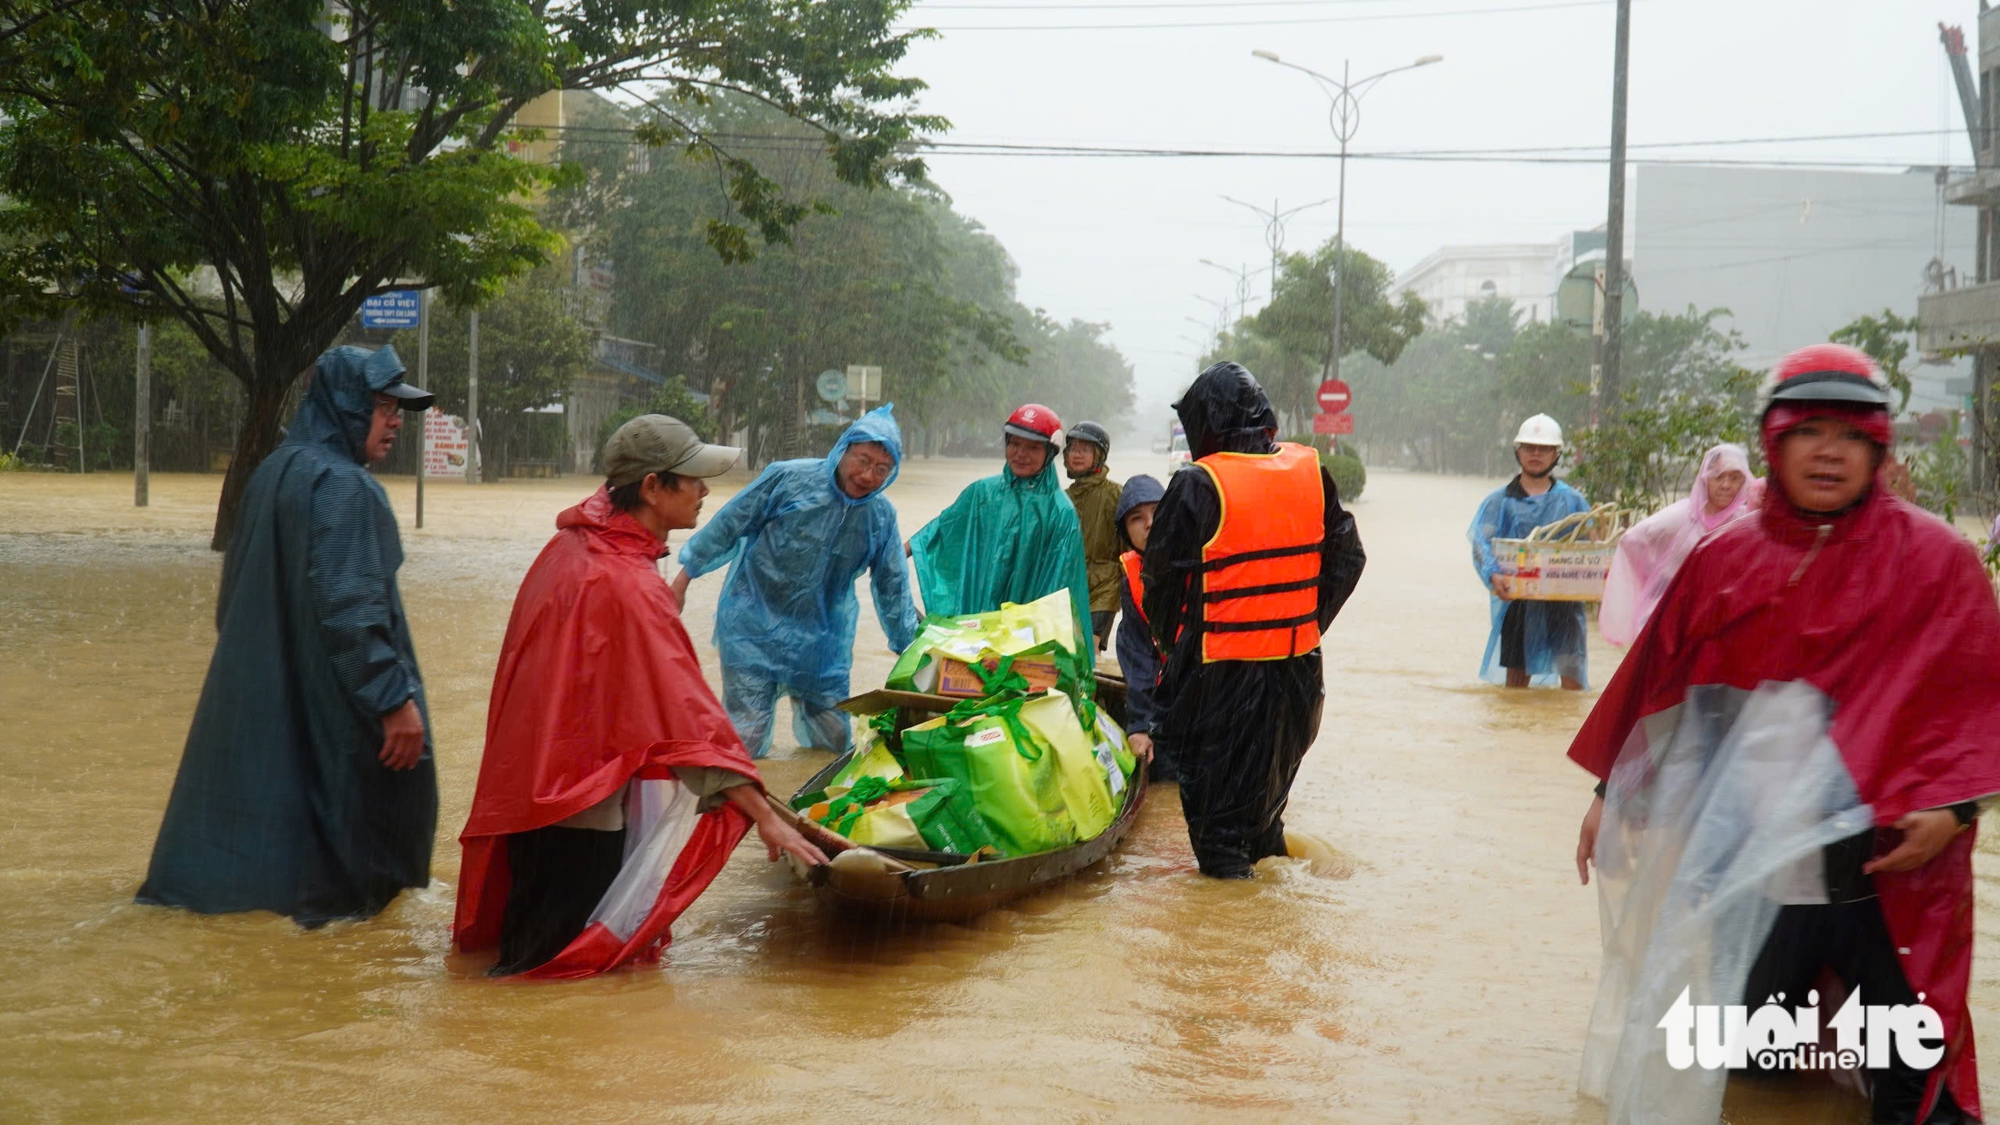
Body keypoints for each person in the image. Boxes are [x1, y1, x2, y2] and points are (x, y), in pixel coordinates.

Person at [1568, 344, 2000, 1124]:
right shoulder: (1723, 559)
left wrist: (1960, 809)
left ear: (1879, 448)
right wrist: (1611, 796)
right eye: (1810, 431)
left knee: (1917, 1072)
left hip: (1894, 869)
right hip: (1756, 864)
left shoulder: (1939, 562)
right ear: (1774, 440)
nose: (1830, 451)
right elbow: (1662, 688)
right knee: (1754, 1063)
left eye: (1850, 434)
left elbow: (1978, 701)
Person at [454, 415, 827, 979]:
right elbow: (688, 720)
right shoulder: (628, 583)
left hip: (534, 796)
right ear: (653, 487)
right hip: (583, 805)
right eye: (694, 479)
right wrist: (764, 816)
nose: (706, 491)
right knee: (557, 975)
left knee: (528, 955)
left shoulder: (570, 550)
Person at [137, 345, 439, 926]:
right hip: (337, 707)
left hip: (264, 695)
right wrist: (393, 700)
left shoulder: (271, 473)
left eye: (399, 409)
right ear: (347, 405)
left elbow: (233, 601)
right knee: (350, 861)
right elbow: (353, 607)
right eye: (383, 405)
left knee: (270, 840)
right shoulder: (348, 487)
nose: (397, 420)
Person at [1143, 362, 1365, 878]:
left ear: (1205, 422)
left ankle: (1225, 947)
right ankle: (1265, 935)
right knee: (1263, 822)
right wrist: (1300, 623)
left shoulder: (1198, 484)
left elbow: (1161, 582)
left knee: (1219, 842)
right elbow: (1348, 560)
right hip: (1297, 678)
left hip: (1219, 679)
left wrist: (1175, 645)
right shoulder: (1311, 472)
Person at [670, 406, 919, 760]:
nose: (867, 476)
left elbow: (893, 585)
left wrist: (912, 651)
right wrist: (682, 581)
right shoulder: (787, 479)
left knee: (833, 747)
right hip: (752, 627)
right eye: (862, 460)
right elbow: (728, 525)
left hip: (823, 642)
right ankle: (744, 811)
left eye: (882, 469)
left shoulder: (880, 517)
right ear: (842, 450)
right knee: (746, 739)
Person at [907, 403, 1092, 634]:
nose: (1020, 454)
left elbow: (1058, 585)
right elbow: (942, 528)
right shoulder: (982, 493)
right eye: (1014, 444)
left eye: (1032, 447)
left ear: (1050, 453)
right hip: (976, 622)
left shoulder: (1061, 512)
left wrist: (1027, 636)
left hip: (1025, 634)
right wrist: (892, 555)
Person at [1467, 413, 1591, 689]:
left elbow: (1594, 545)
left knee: (1572, 679)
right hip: (1517, 601)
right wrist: (1492, 575)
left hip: (1564, 602)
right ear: (1518, 451)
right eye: (1529, 447)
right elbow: (1480, 543)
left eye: (1544, 448)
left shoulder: (1573, 501)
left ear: (1556, 454)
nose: (1536, 454)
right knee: (1516, 686)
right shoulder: (1499, 501)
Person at [1597, 443, 1759, 647]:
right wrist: (1657, 576)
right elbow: (1632, 541)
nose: (1726, 485)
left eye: (1734, 478)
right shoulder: (1681, 517)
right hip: (1671, 623)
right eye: (1718, 476)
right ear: (1705, 478)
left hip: (1718, 627)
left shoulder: (1744, 522)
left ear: (1744, 481)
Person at [1112, 473, 1169, 781]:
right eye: (1138, 518)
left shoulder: (1207, 557)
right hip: (1171, 694)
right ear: (1127, 532)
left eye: (1158, 513)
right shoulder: (1132, 579)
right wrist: (1139, 726)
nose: (1149, 524)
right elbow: (1138, 654)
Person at [1064, 420, 1123, 651]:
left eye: (1085, 449)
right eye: (1073, 449)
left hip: (1105, 585)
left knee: (1089, 649)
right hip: (1069, 583)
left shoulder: (1116, 494)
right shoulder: (1063, 498)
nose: (1077, 455)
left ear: (1099, 455)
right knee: (1065, 648)